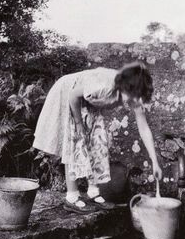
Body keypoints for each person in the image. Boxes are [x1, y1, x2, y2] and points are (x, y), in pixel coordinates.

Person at [33, 61, 162, 213]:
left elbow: (144, 127)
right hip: (68, 92)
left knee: (98, 141)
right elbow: (73, 95)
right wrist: (79, 123)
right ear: (124, 86)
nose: (133, 100)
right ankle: (72, 197)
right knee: (75, 142)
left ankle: (93, 193)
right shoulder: (104, 87)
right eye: (132, 95)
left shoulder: (133, 94)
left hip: (88, 101)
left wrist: (155, 161)